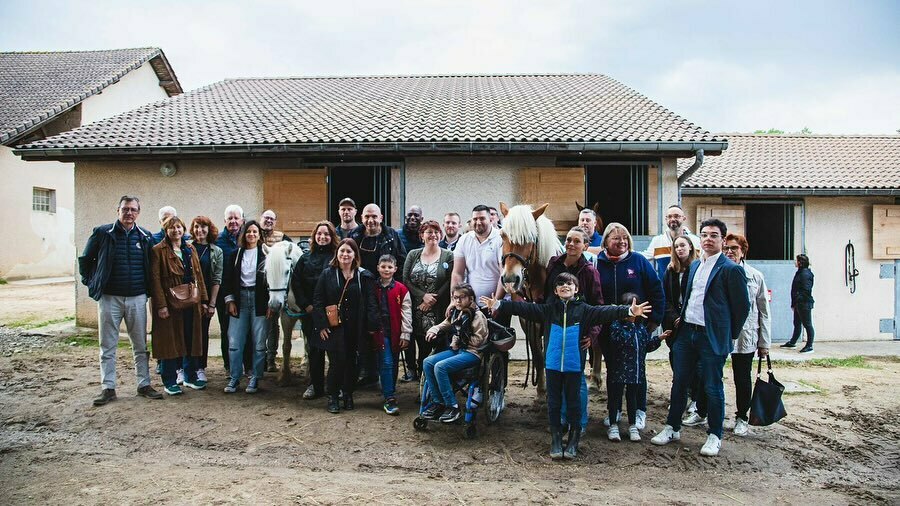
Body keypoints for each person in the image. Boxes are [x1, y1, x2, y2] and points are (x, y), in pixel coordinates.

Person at [483, 274, 651, 459]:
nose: (565, 286)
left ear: (576, 289)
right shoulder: (548, 310)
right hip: (553, 365)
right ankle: (556, 439)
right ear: (555, 291)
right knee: (553, 403)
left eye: (569, 283)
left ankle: (573, 439)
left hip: (573, 365)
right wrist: (500, 304)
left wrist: (628, 311)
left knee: (574, 403)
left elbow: (606, 312)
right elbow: (525, 308)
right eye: (560, 284)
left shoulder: (585, 310)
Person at [651, 218, 750, 457]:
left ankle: (714, 435)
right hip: (687, 333)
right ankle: (672, 427)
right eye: (704, 234)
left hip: (711, 337)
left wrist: (727, 335)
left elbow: (742, 307)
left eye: (714, 235)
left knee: (712, 387)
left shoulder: (731, 269)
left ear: (722, 240)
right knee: (679, 383)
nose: (708, 239)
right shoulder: (695, 265)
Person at [79, 196, 163, 405]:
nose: (129, 213)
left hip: (137, 298)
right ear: (118, 210)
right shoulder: (102, 233)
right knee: (107, 345)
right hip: (109, 298)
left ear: (138, 213)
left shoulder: (145, 236)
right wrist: (92, 283)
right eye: (125, 209)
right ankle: (108, 388)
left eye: (133, 210)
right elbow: (85, 261)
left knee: (141, 345)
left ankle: (143, 384)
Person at [595, 222, 664, 431]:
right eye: (616, 238)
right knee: (613, 371)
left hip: (637, 328)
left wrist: (655, 321)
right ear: (606, 241)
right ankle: (613, 411)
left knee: (637, 372)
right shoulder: (597, 263)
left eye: (625, 238)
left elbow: (656, 290)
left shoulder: (639, 261)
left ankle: (639, 411)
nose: (622, 242)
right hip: (609, 330)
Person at [544, 226, 604, 435]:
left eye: (577, 241)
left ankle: (579, 421)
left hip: (577, 333)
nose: (570, 244)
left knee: (576, 379)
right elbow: (545, 297)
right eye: (568, 239)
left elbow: (597, 305)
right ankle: (561, 419)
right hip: (555, 329)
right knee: (556, 376)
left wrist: (593, 334)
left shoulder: (589, 271)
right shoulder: (554, 264)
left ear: (586, 246)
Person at [312, 238, 380, 413]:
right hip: (335, 327)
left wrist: (371, 325)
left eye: (349, 251)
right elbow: (318, 300)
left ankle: (348, 393)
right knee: (337, 362)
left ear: (355, 254)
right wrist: (321, 325)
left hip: (356, 327)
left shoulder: (363, 275)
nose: (345, 254)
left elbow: (371, 301)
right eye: (342, 251)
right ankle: (332, 396)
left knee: (353, 362)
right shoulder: (327, 274)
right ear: (337, 253)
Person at [149, 216, 209, 395]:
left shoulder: (190, 248)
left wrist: (204, 300)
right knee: (170, 340)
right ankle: (169, 381)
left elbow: (199, 276)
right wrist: (161, 305)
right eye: (172, 228)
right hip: (170, 303)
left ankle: (190, 377)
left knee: (191, 338)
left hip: (191, 301)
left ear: (183, 229)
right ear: (166, 231)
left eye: (179, 227)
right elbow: (155, 279)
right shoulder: (158, 250)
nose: (176, 231)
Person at [348, 203, 405, 385]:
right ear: (362, 218)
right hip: (362, 290)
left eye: (374, 216)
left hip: (387, 289)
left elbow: (401, 261)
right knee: (365, 331)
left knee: (386, 331)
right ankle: (368, 372)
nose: (370, 220)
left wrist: (396, 286)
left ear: (381, 217)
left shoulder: (391, 235)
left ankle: (387, 378)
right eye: (367, 217)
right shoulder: (354, 236)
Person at [722, 233, 770, 436]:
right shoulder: (719, 272)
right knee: (710, 373)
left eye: (734, 248)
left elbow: (764, 311)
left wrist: (764, 342)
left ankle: (742, 416)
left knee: (742, 377)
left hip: (745, 335)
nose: (730, 252)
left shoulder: (755, 276)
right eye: (726, 248)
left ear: (743, 251)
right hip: (721, 332)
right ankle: (703, 411)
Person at [421, 284, 489, 424]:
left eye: (461, 298)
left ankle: (452, 406)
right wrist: (434, 329)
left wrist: (459, 339)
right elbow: (445, 324)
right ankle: (438, 402)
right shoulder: (456, 313)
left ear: (470, 298)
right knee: (427, 362)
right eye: (455, 298)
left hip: (472, 352)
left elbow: (478, 340)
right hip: (457, 350)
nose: (458, 301)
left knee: (440, 367)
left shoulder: (477, 315)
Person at [401, 220, 454, 382]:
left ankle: (434, 384)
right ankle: (423, 385)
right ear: (421, 236)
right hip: (418, 310)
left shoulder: (448, 255)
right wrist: (422, 297)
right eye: (429, 232)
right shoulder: (413, 254)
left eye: (436, 232)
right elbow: (406, 279)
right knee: (422, 348)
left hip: (438, 311)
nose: (433, 235)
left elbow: (450, 280)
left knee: (437, 348)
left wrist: (432, 299)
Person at [291, 221, 339, 400]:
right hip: (311, 313)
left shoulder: (337, 257)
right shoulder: (305, 258)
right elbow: (296, 282)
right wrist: (306, 305)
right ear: (314, 236)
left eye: (326, 234)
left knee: (334, 351)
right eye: (319, 234)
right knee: (314, 350)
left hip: (332, 312)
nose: (322, 237)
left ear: (331, 236)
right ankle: (315, 385)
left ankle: (335, 386)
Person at [606, 292, 661, 442]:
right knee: (615, 398)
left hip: (636, 372)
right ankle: (613, 425)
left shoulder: (641, 328)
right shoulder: (616, 326)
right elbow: (620, 341)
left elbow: (645, 346)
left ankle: (632, 426)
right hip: (619, 370)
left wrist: (658, 339)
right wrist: (629, 324)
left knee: (632, 399)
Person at [222, 220, 269, 394]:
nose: (252, 234)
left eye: (255, 231)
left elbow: (270, 281)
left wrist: (270, 303)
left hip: (259, 301)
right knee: (234, 342)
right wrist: (230, 301)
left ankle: (255, 377)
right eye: (248, 231)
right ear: (243, 234)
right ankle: (235, 378)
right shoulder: (235, 254)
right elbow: (226, 279)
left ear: (259, 235)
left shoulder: (265, 254)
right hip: (239, 300)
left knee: (258, 343)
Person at [662, 235, 702, 416]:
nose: (680, 249)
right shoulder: (670, 270)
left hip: (692, 320)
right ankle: (681, 396)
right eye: (676, 246)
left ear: (691, 247)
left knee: (696, 363)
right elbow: (666, 298)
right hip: (674, 321)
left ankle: (695, 398)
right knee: (676, 359)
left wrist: (685, 316)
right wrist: (674, 317)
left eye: (683, 245)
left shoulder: (699, 268)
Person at [372, 254, 412, 415]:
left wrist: (406, 333)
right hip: (379, 332)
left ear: (395, 269)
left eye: (389, 267)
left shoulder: (401, 289)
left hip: (395, 331)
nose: (386, 270)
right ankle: (389, 397)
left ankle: (390, 389)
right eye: (383, 267)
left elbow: (406, 312)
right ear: (378, 268)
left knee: (393, 362)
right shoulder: (372, 287)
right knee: (386, 361)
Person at [188, 216, 223, 385]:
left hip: (206, 298)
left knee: (202, 333)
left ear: (209, 230)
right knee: (185, 333)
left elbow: (217, 279)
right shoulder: (186, 246)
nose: (199, 230)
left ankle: (200, 368)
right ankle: (184, 367)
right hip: (187, 299)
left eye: (203, 227)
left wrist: (212, 303)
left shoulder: (216, 251)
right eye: (196, 227)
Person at [260, 209, 293, 372]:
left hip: (277, 288)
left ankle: (271, 358)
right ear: (261, 219)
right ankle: (259, 359)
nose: (269, 221)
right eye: (266, 218)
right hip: (262, 287)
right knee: (264, 325)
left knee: (274, 325)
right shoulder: (253, 233)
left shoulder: (282, 237)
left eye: (272, 219)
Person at [451, 205, 504, 305]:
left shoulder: (500, 238)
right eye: (475, 219)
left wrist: (495, 303)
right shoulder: (464, 240)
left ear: (490, 220)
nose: (478, 222)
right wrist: (453, 301)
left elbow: (503, 275)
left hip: (497, 304)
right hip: (471, 305)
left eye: (482, 218)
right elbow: (457, 273)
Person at [215, 204, 246, 373]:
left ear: (242, 220)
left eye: (236, 218)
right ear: (224, 221)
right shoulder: (217, 240)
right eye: (230, 218)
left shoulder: (248, 238)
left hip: (245, 293)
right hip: (224, 294)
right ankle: (229, 366)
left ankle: (247, 366)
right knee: (227, 330)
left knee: (247, 332)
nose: (233, 221)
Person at [643, 204, 700, 280]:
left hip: (689, 289)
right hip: (665, 289)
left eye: (676, 216)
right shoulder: (658, 241)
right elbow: (644, 257)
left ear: (684, 218)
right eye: (669, 216)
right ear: (666, 219)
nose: (672, 219)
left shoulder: (695, 241)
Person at [782, 253, 815, 353]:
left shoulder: (805, 274)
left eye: (796, 261)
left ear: (800, 263)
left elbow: (806, 290)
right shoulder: (800, 272)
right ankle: (792, 342)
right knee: (797, 323)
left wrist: (798, 299)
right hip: (798, 303)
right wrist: (794, 303)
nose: (794, 262)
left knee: (807, 324)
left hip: (803, 303)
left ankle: (809, 346)